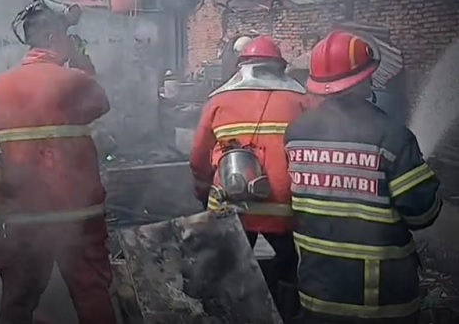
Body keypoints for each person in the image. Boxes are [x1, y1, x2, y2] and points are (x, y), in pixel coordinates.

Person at [284, 30, 442, 324]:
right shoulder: (393, 136)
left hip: (316, 289)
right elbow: (423, 214)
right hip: (380, 299)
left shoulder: (295, 133)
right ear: (367, 78)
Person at [0, 0, 117, 324]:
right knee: (91, 293)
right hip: (77, 215)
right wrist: (81, 58)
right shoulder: (74, 81)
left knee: (17, 300)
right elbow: (101, 102)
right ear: (55, 38)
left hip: (22, 216)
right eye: (67, 37)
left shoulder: (0, 85)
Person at [189, 35, 311, 321]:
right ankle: (286, 312)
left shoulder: (218, 101)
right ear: (280, 66)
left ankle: (233, 314)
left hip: (230, 208)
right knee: (290, 267)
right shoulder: (302, 101)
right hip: (285, 208)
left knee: (229, 269)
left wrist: (203, 191)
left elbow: (198, 157)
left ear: (240, 65)